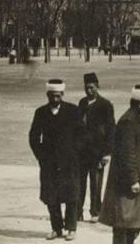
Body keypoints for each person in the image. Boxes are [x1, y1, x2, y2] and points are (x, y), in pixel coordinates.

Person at [100, 84, 140, 244]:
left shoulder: (133, 119)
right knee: (124, 226)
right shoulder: (129, 122)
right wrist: (133, 180)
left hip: (130, 183)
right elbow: (127, 153)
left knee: (130, 226)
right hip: (127, 186)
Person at [30, 78, 85, 241]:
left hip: (69, 163)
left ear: (63, 94)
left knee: (71, 196)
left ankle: (71, 228)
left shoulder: (73, 111)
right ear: (47, 95)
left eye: (58, 96)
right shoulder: (40, 112)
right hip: (49, 163)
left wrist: (75, 153)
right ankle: (56, 228)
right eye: (52, 96)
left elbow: (82, 134)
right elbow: (33, 137)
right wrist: (41, 157)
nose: (55, 99)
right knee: (51, 197)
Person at [78, 72, 116, 223]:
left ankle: (95, 211)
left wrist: (107, 152)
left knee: (96, 184)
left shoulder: (105, 105)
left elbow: (111, 129)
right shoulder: (81, 103)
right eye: (86, 88)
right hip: (82, 152)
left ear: (97, 86)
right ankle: (77, 212)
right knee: (80, 183)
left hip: (98, 152)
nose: (89, 91)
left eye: (92, 88)